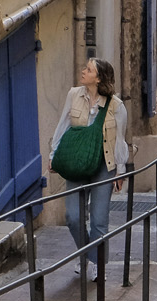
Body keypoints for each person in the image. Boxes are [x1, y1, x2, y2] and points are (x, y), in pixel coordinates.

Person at [49, 58, 129, 283]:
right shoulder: (74, 95)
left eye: (88, 69)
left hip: (103, 164)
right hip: (77, 162)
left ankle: (96, 264)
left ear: (99, 78)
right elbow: (63, 125)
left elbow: (119, 140)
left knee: (99, 220)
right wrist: (53, 156)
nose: (83, 71)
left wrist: (120, 170)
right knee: (73, 217)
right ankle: (86, 254)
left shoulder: (117, 106)